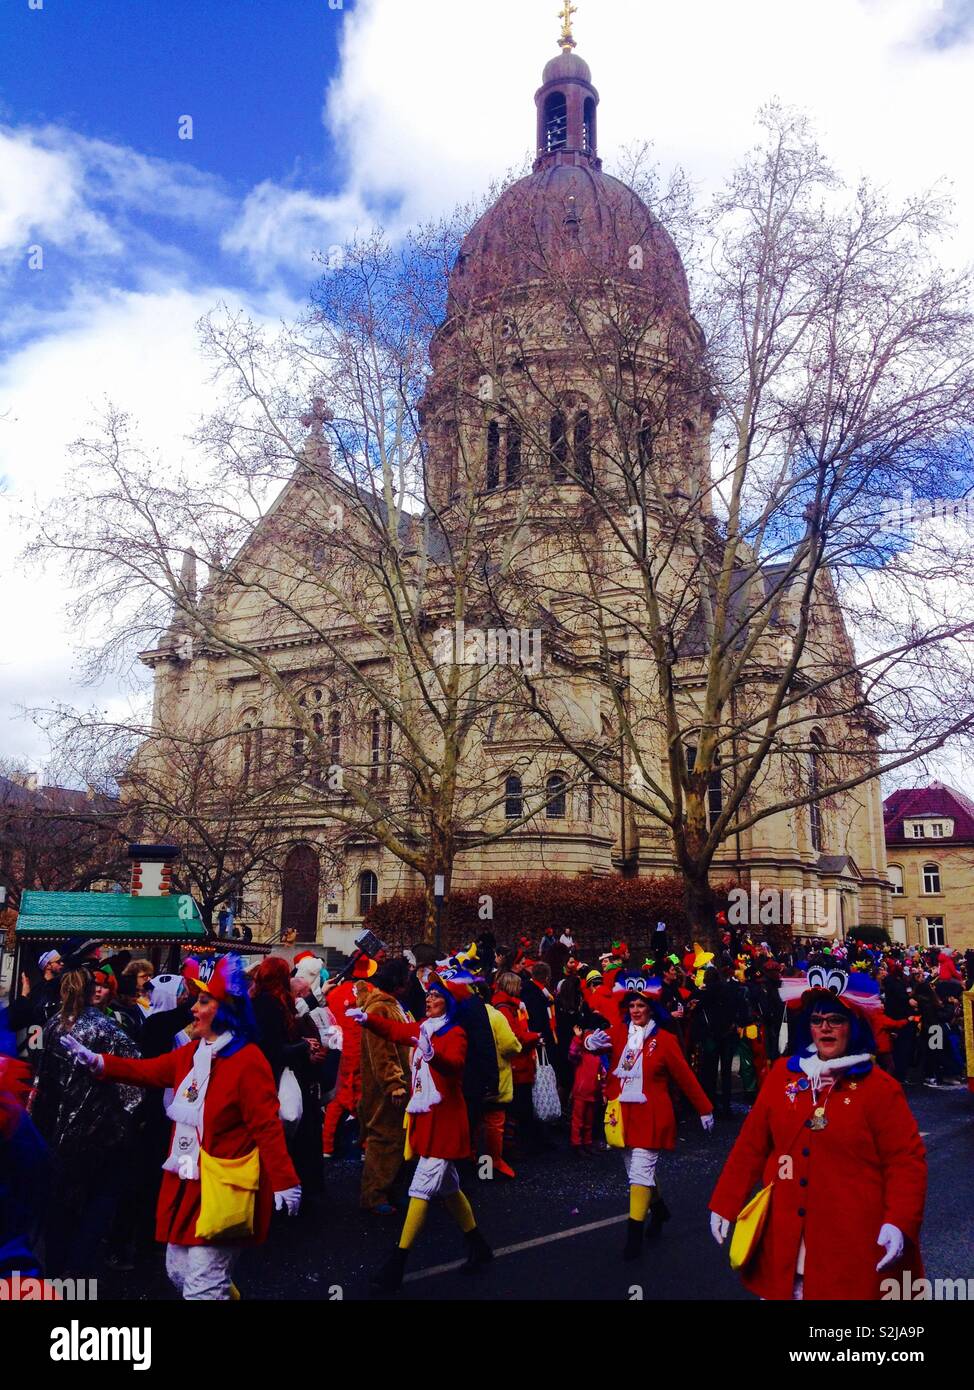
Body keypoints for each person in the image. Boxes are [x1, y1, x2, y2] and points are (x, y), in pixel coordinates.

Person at [61, 954, 301, 1301]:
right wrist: (98, 1062)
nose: (193, 1009)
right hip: (188, 1183)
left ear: (224, 1010)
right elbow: (148, 1071)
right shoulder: (193, 1052)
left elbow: (266, 1125)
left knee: (202, 1287)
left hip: (224, 1186)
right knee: (179, 1270)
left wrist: (285, 1181)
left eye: (204, 1001)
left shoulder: (248, 1060)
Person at [709, 967, 926, 1301]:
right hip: (785, 1239)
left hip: (852, 1244)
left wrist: (898, 1221)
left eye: (835, 1019)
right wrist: (725, 1202)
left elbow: (906, 1161)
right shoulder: (783, 1075)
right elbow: (751, 1144)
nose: (824, 1027)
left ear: (853, 1026)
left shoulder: (881, 1089)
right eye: (817, 1019)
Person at [347, 975, 492, 1293]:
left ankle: (397, 1263)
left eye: (437, 996)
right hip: (428, 1119)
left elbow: (454, 1066)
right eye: (428, 995)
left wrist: (431, 1055)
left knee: (421, 1189)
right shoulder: (424, 1027)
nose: (429, 999)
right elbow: (397, 1031)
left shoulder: (455, 1032)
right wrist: (367, 1019)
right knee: (450, 1189)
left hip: (446, 1122)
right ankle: (478, 1245)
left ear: (448, 1004)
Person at [586, 974, 714, 1261]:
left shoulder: (665, 1040)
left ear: (651, 1008)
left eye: (640, 1005)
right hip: (623, 1115)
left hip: (653, 1115)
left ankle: (633, 1239)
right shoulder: (619, 1033)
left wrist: (704, 1108)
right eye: (631, 1005)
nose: (635, 1010)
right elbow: (593, 1042)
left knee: (640, 1175)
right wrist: (589, 1041)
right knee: (636, 1173)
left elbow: (685, 1076)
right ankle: (660, 1209)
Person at [32, 969, 142, 1277]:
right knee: (94, 1212)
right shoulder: (105, 1027)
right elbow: (134, 1079)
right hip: (101, 1136)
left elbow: (42, 1079)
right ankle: (77, 1279)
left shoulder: (52, 1025)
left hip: (58, 1136)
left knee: (60, 1213)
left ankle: (56, 1278)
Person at [357, 957, 413, 1215]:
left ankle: (391, 1189)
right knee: (384, 1138)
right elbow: (381, 1050)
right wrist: (393, 1084)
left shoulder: (390, 1005)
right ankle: (374, 1194)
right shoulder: (380, 1008)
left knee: (398, 1139)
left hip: (399, 1082)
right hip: (386, 1088)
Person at [479, 985, 522, 1179]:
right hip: (496, 1078)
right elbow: (509, 1045)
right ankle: (490, 1167)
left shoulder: (463, 1014)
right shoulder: (495, 1016)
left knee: (478, 1125)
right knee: (494, 1125)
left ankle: (480, 1168)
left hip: (474, 1078)